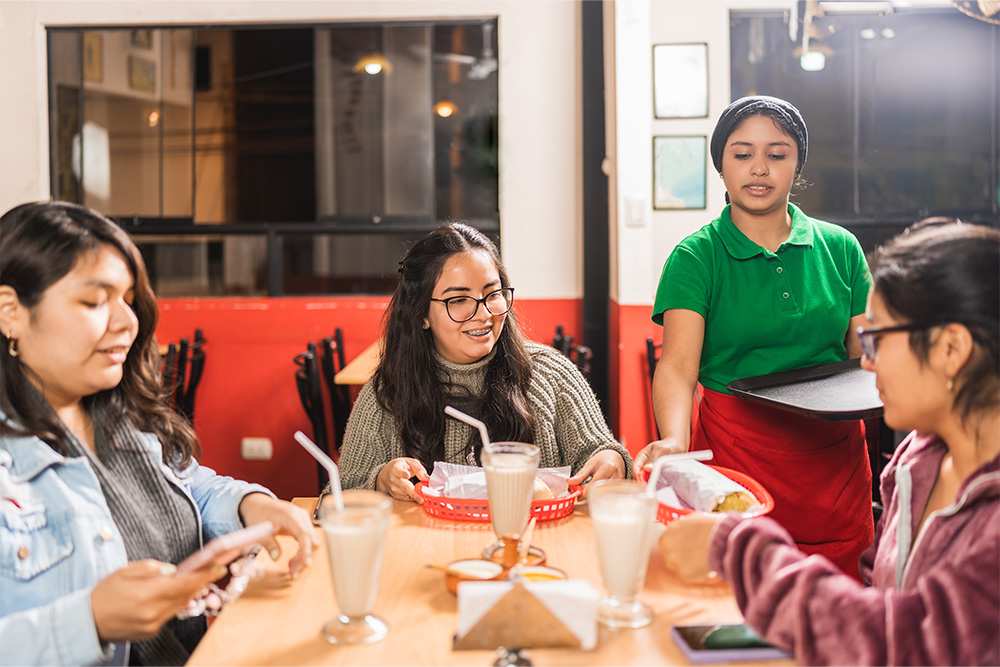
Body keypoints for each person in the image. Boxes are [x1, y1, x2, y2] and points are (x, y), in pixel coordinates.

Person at [658, 223, 999, 666]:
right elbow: (876, 593)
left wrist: (732, 548)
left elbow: (899, 640)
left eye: (876, 340)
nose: (865, 364)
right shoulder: (915, 463)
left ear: (951, 348)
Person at [0, 201, 318, 666]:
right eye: (94, 301)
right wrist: (89, 622)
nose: (128, 322)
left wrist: (252, 504)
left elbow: (188, 484)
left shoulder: (116, 414)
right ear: (10, 313)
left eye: (128, 300)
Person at [633, 95, 874, 577]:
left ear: (797, 164)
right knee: (739, 602)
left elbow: (868, 357)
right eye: (742, 155)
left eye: (777, 154)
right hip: (737, 458)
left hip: (835, 466)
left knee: (841, 618)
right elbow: (678, 369)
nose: (759, 169)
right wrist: (675, 439)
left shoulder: (841, 248)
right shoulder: (696, 257)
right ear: (721, 166)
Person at [336, 222, 631, 501]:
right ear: (422, 314)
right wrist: (379, 480)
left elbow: (603, 455)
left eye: (493, 293)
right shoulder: (387, 391)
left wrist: (612, 461)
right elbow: (339, 496)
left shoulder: (553, 375)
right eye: (458, 300)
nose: (484, 313)